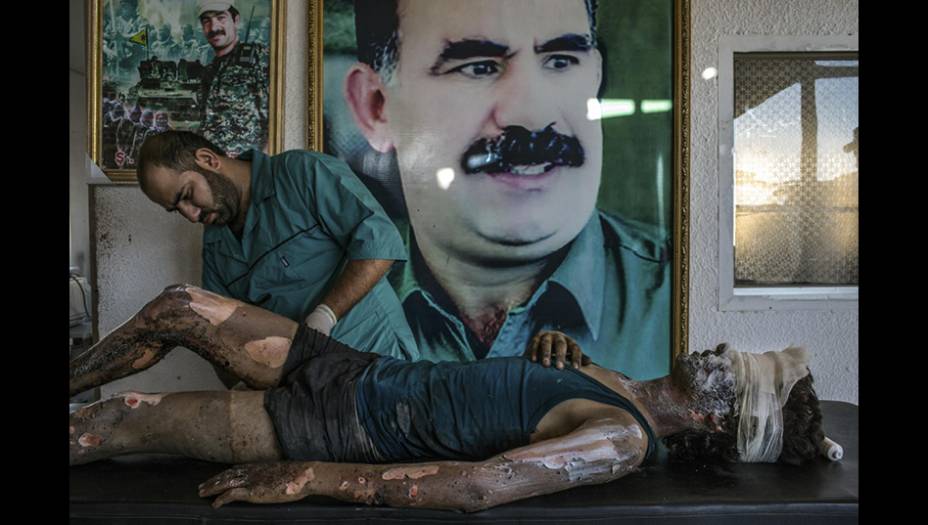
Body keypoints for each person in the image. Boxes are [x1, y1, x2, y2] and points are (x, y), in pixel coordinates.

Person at [70, 284, 833, 512]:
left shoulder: (623, 440)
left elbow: (476, 484)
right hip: (354, 365)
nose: (720, 354)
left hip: (341, 424)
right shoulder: (615, 377)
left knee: (115, 423)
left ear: (712, 417)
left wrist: (308, 475)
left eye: (732, 372)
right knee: (176, 306)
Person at [343, 0, 670, 377]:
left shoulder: (677, 299)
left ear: (595, 76)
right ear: (376, 106)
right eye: (478, 68)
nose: (533, 115)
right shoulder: (340, 308)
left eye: (561, 60)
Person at [135, 131, 419, 371]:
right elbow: (222, 332)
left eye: (186, 195)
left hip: (377, 359)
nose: (191, 215)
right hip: (308, 385)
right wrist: (241, 380)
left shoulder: (301, 173)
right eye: (177, 210)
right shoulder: (216, 245)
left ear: (208, 160)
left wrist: (325, 316)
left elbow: (380, 244)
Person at [196, 0, 269, 157]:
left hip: (245, 168)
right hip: (214, 168)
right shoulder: (209, 70)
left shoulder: (258, 57)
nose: (213, 27)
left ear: (236, 21)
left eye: (220, 17)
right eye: (206, 21)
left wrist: (261, 167)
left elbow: (279, 116)